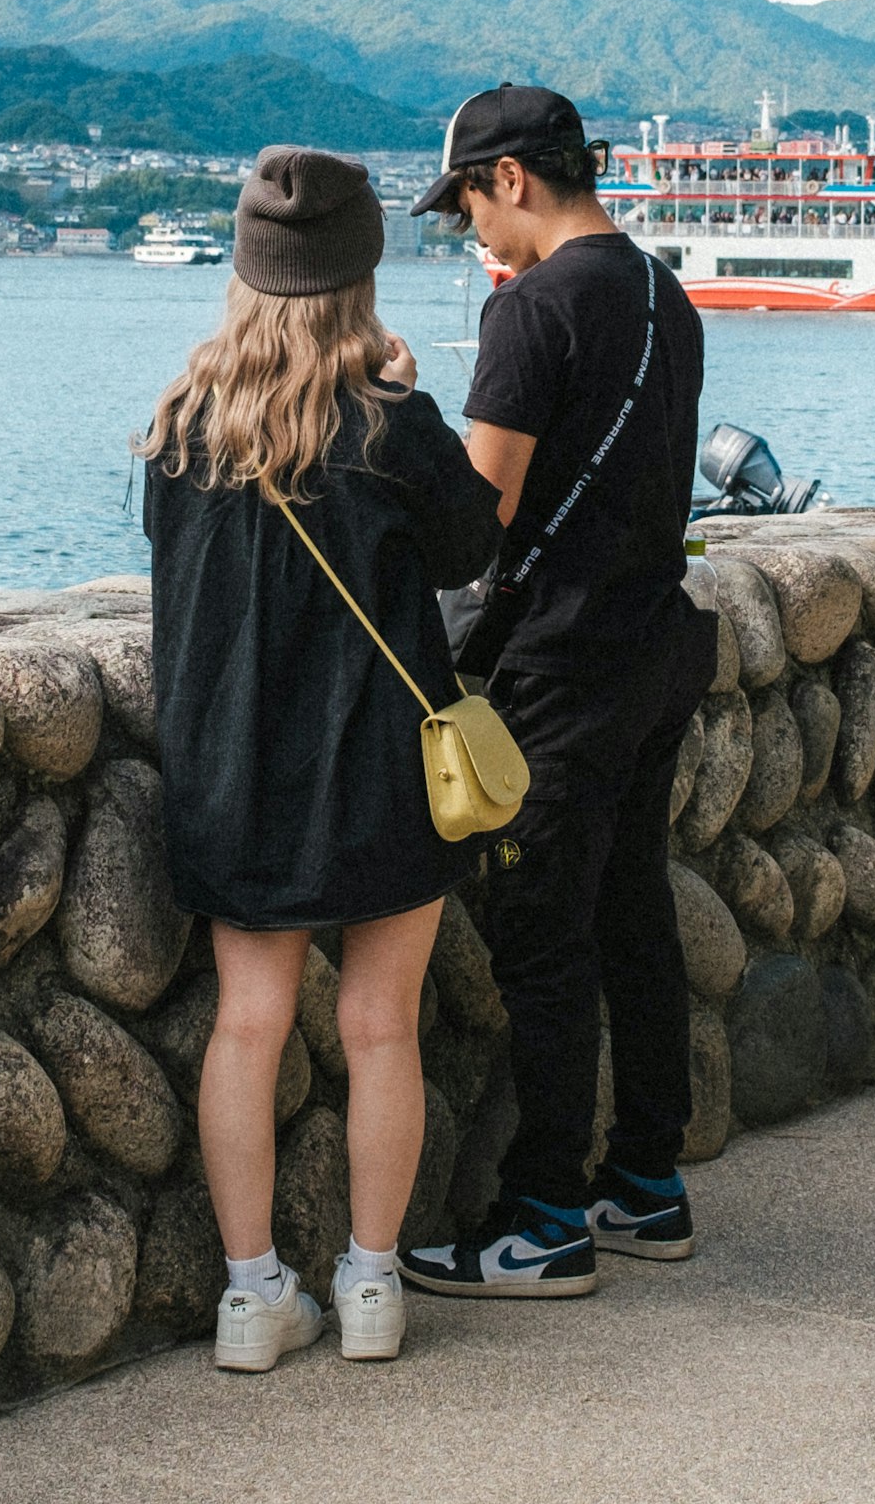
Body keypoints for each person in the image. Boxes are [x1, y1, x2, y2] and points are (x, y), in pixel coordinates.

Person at [139, 145, 502, 1371]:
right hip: (376, 772)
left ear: (246, 272)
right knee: (379, 1026)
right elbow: (467, 551)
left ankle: (250, 1298)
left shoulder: (183, 426)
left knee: (249, 1023)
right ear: (360, 275)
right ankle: (373, 1285)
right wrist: (406, 393)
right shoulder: (391, 423)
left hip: (231, 772)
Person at [401, 85, 713, 1302]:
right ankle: (645, 1179)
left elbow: (477, 522)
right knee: (632, 911)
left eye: (471, 201)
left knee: (542, 935)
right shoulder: (662, 293)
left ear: (515, 178)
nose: (472, 229)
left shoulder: (531, 310)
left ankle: (541, 1214)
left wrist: (404, 412)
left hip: (563, 668)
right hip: (653, 645)